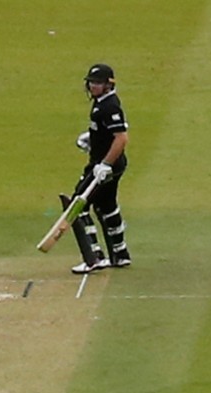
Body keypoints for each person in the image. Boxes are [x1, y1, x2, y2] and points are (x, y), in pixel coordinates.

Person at [65, 63, 133, 274]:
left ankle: (93, 258)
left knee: (78, 205)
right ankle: (120, 255)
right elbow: (113, 130)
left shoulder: (108, 106)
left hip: (104, 167)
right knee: (106, 205)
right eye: (91, 82)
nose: (93, 86)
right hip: (108, 163)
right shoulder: (102, 103)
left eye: (98, 83)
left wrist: (104, 164)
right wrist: (92, 139)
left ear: (108, 85)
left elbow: (121, 138)